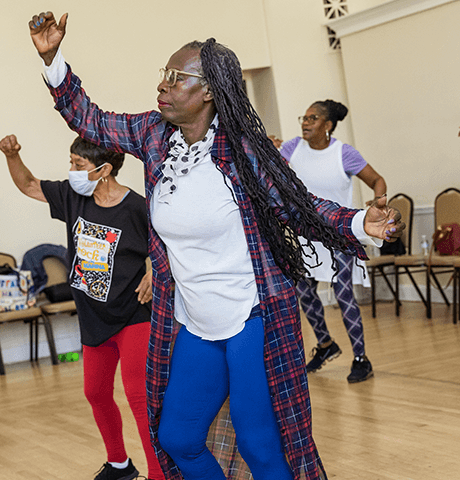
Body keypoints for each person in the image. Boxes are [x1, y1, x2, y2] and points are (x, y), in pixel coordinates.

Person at [28, 12, 404, 480]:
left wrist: (361, 221)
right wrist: (52, 59)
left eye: (176, 78)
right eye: (163, 76)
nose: (163, 86)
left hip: (251, 316)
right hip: (194, 320)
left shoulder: (241, 150)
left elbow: (301, 206)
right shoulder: (153, 136)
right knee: (179, 439)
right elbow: (91, 119)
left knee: (259, 445)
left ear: (208, 90)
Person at [0, 133, 160, 480]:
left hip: (133, 313)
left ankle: (161, 474)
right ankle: (119, 464)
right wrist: (13, 155)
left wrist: (153, 269)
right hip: (93, 317)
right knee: (95, 391)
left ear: (103, 170)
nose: (71, 170)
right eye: (70, 162)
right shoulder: (73, 196)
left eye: (78, 165)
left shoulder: (137, 207)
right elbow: (28, 185)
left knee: (138, 397)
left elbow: (164, 246)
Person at [277, 100, 386, 383]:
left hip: (338, 233)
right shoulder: (291, 149)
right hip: (303, 235)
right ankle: (325, 344)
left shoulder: (343, 154)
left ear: (327, 125)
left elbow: (377, 180)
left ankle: (361, 358)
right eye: (304, 117)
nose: (305, 122)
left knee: (343, 293)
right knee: (304, 290)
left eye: (312, 118)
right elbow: (273, 172)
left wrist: (378, 202)